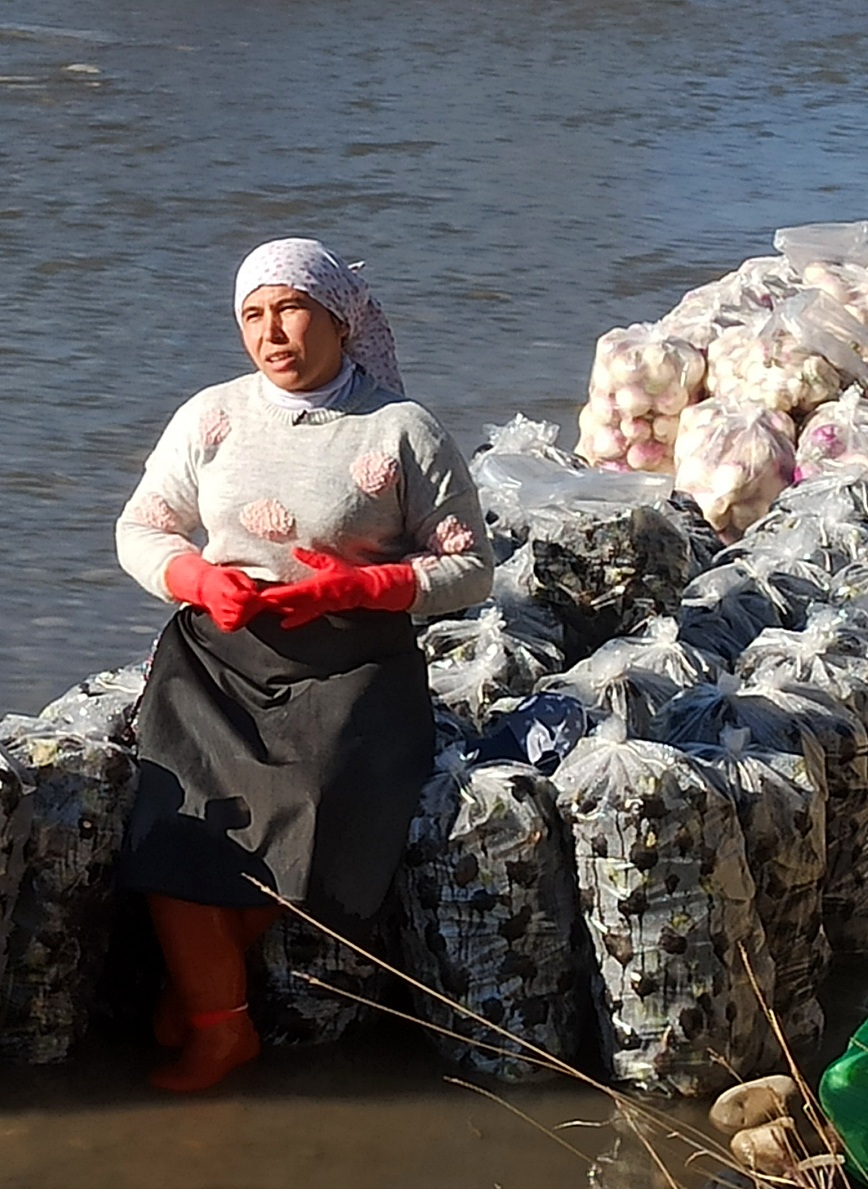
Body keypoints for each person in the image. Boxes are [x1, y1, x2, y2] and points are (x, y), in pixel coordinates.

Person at [115, 236, 495, 1092]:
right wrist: (196, 578)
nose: (271, 332)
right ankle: (222, 1025)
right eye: (253, 314)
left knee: (309, 824)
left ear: (339, 320)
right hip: (216, 660)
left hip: (354, 664)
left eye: (290, 309)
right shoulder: (212, 416)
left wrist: (365, 585)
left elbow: (472, 567)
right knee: (175, 827)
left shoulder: (401, 429)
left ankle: (200, 996)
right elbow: (141, 528)